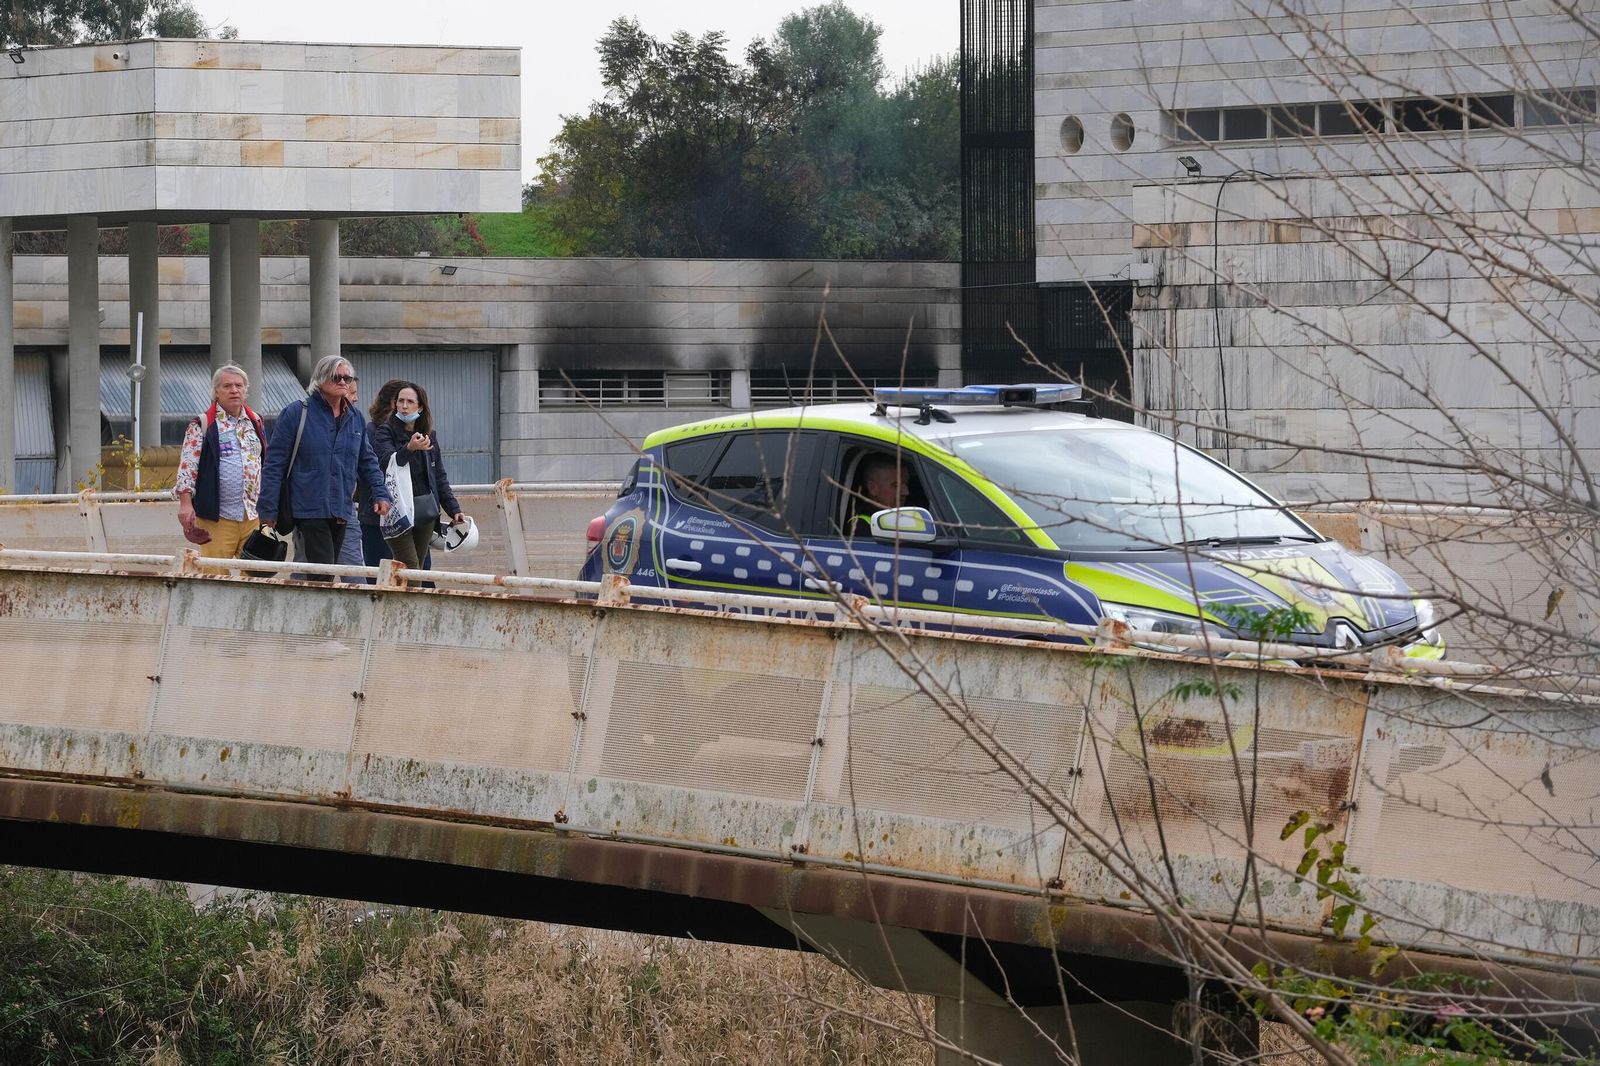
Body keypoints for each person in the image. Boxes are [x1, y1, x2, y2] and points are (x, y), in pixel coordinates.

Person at [258, 355, 391, 577]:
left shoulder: (355, 418)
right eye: (336, 377)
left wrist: (380, 493)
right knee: (323, 570)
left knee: (323, 571)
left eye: (347, 378)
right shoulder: (296, 413)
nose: (342, 382)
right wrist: (268, 509)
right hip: (308, 507)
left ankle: (309, 608)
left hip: (341, 508)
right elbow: (274, 464)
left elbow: (367, 461)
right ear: (320, 379)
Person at [174, 364, 268, 558]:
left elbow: (264, 463)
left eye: (239, 385)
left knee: (255, 576)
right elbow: (187, 468)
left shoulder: (256, 421)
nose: (234, 390)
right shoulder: (202, 424)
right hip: (218, 518)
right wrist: (185, 504)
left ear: (246, 390)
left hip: (252, 515)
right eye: (227, 386)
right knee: (216, 574)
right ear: (216, 391)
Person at [370, 381, 466, 571]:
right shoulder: (384, 432)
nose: (404, 406)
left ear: (420, 407)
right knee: (410, 566)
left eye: (410, 402)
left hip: (425, 510)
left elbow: (439, 477)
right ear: (395, 404)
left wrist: (454, 509)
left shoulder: (429, 435)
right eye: (400, 401)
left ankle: (407, 600)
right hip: (398, 511)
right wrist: (409, 449)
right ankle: (406, 600)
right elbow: (387, 463)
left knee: (418, 568)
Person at [848, 453, 910, 534]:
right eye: (896, 485)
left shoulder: (904, 516)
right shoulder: (861, 528)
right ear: (872, 488)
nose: (906, 492)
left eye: (907, 483)